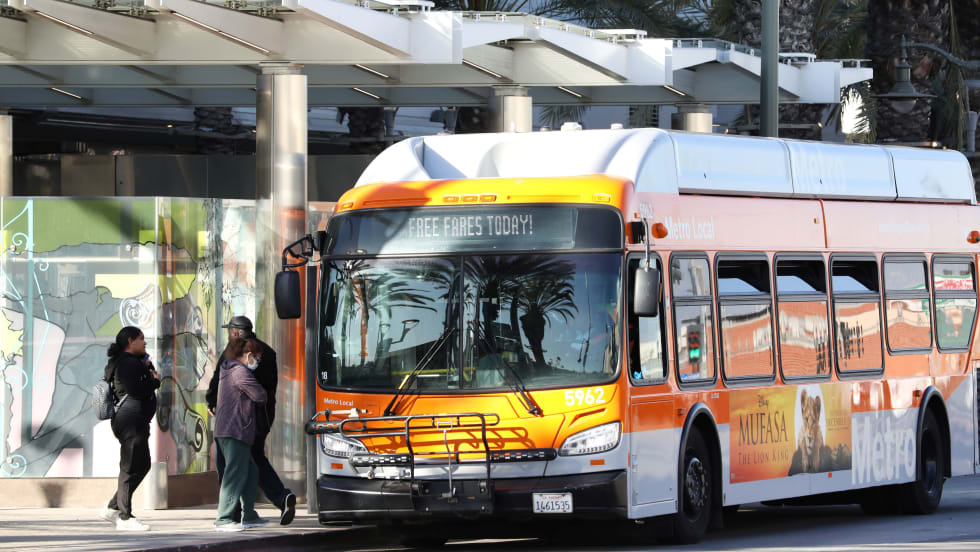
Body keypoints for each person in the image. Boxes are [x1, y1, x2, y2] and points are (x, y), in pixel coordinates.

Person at [206, 315, 297, 525]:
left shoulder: (234, 353)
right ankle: (265, 505)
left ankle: (230, 514)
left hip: (237, 421)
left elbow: (217, 385)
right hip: (261, 418)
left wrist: (212, 403)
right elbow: (270, 389)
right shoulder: (267, 351)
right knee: (253, 462)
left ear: (236, 332)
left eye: (230, 330)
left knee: (230, 466)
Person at [99, 326, 161, 531]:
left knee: (143, 465)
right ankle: (125, 517)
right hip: (130, 421)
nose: (144, 343)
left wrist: (146, 368)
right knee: (129, 467)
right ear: (130, 341)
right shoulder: (126, 363)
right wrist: (154, 381)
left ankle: (113, 507)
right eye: (141, 339)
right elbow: (136, 390)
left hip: (135, 421)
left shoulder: (132, 362)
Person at [214, 337, 268, 531]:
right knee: (234, 474)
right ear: (248, 355)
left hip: (233, 429)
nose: (257, 363)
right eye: (257, 359)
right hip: (234, 429)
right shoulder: (239, 371)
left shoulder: (229, 369)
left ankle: (249, 515)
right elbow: (259, 395)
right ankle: (224, 518)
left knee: (251, 472)